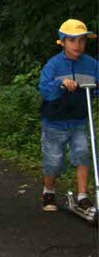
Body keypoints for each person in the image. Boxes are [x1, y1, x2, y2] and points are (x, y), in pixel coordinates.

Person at [38, 19, 98, 212]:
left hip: (80, 119)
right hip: (55, 121)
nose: (78, 45)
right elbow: (45, 91)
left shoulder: (92, 65)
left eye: (81, 40)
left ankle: (83, 196)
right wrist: (61, 84)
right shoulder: (53, 65)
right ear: (62, 42)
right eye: (72, 41)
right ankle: (49, 191)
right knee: (54, 161)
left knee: (83, 154)